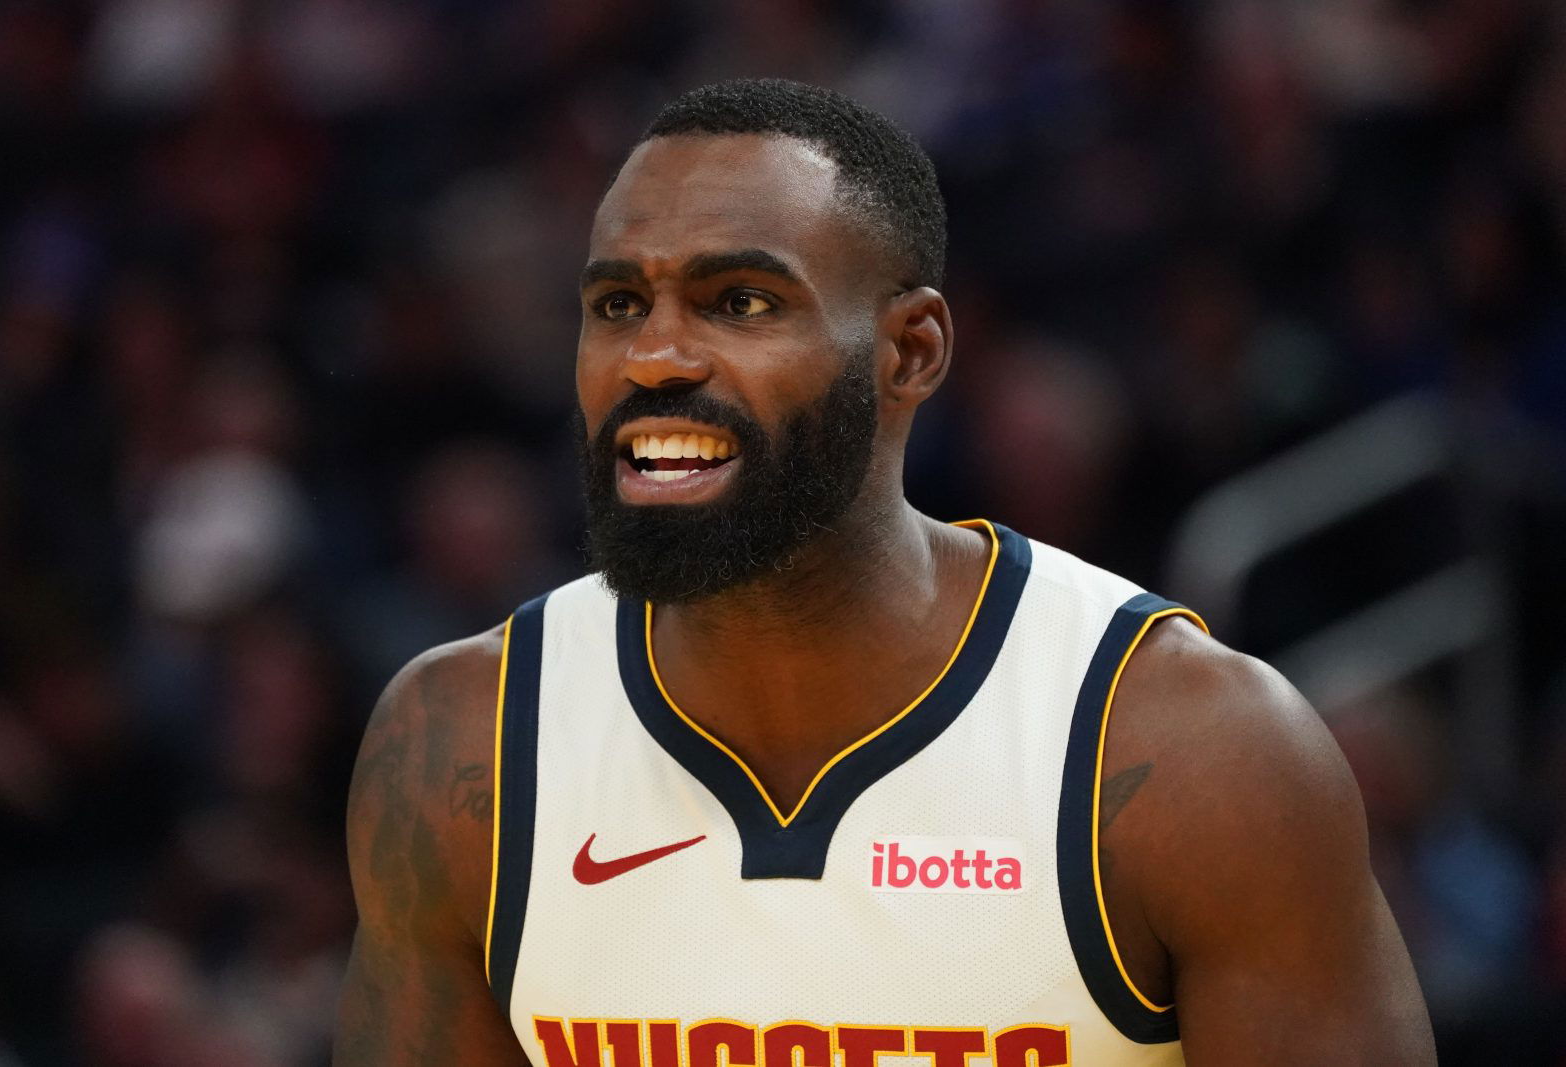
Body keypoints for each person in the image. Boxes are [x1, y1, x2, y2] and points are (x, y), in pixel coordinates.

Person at [334, 79, 1435, 1065]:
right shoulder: (461, 746)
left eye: (740, 302)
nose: (654, 355)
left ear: (910, 351)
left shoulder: (1189, 749)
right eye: (618, 304)